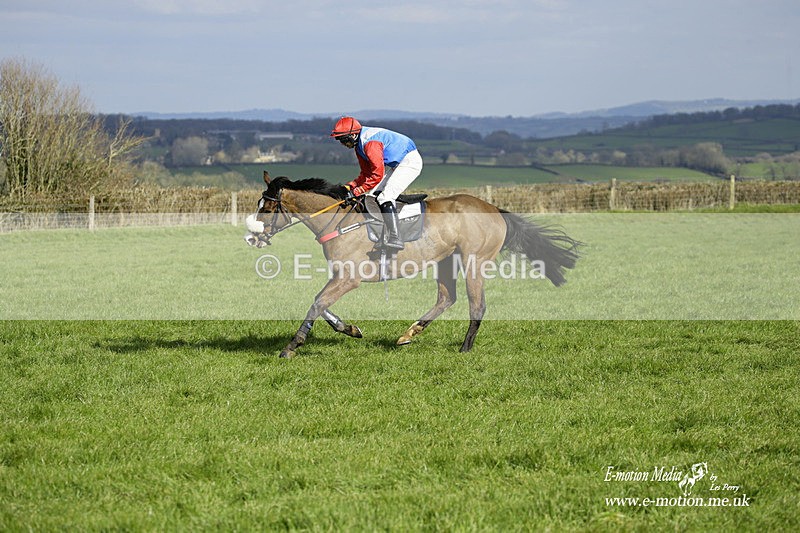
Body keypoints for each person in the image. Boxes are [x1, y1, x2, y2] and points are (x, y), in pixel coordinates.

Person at [330, 116, 423, 250]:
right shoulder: (359, 147)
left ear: (354, 135)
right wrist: (350, 186)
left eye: (344, 139)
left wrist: (357, 191)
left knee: (385, 197)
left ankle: (395, 237)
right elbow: (366, 174)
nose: (342, 143)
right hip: (398, 164)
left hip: (409, 162)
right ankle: (383, 234)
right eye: (339, 140)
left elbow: (377, 175)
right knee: (372, 197)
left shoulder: (370, 144)